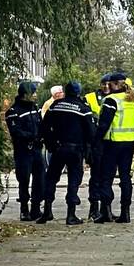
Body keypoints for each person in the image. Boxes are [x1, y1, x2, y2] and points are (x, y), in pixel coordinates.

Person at [39, 82, 94, 225]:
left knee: (51, 178)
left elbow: (44, 127)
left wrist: (51, 144)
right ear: (78, 92)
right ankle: (71, 215)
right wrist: (89, 151)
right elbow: (91, 132)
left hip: (58, 148)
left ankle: (47, 212)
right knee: (73, 181)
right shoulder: (83, 108)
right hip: (76, 150)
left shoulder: (55, 106)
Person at [94, 72, 134, 223]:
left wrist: (96, 141)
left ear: (113, 84)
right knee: (125, 177)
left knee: (106, 177)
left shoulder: (111, 100)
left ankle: (106, 211)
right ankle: (125, 213)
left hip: (112, 143)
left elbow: (104, 125)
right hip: (130, 143)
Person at [5, 81, 46, 221]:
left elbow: (41, 125)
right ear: (25, 94)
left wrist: (42, 137)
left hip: (36, 150)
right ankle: (24, 209)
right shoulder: (13, 112)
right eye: (33, 93)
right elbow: (15, 132)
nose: (35, 95)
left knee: (40, 179)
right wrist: (31, 137)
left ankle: (36, 207)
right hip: (23, 151)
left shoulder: (35, 108)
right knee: (24, 180)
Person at [84, 74, 112, 220]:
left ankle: (106, 208)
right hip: (96, 143)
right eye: (104, 84)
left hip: (110, 142)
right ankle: (93, 208)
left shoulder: (115, 98)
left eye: (109, 84)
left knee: (107, 178)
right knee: (96, 177)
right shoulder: (89, 98)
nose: (106, 87)